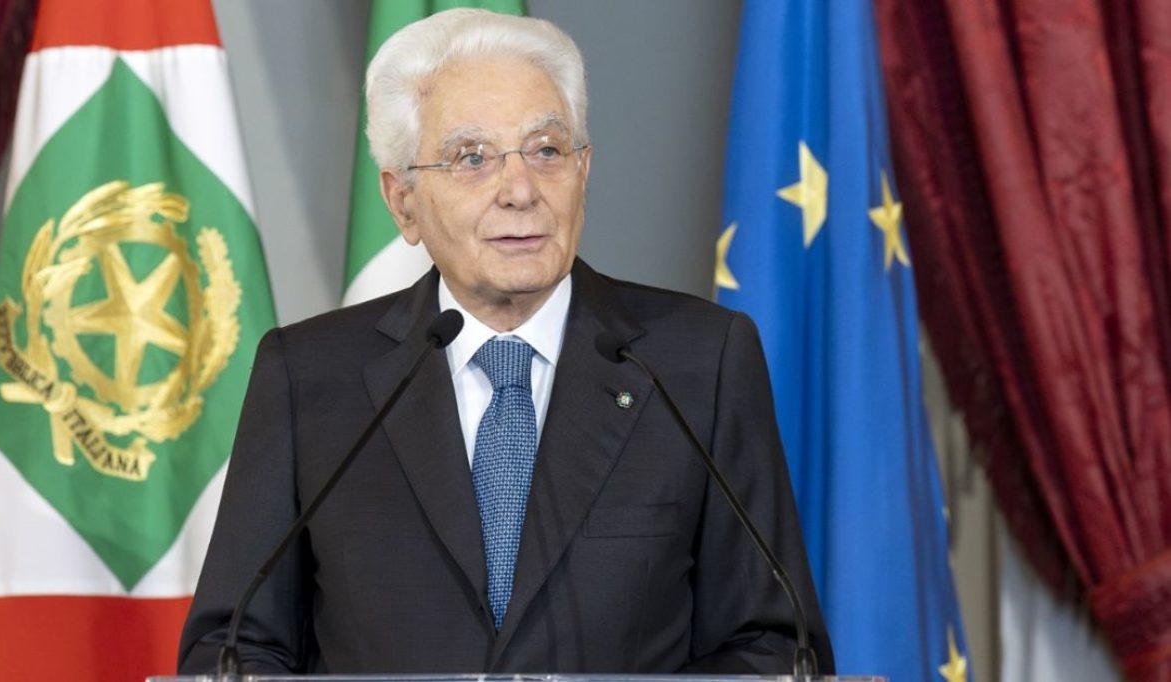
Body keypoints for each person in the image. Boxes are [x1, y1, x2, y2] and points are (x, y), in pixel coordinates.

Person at [179, 8, 832, 674]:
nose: (520, 190)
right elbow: (232, 649)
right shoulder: (310, 377)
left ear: (583, 170)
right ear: (403, 202)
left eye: (546, 150)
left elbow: (773, 646)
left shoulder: (698, 362)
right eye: (472, 158)